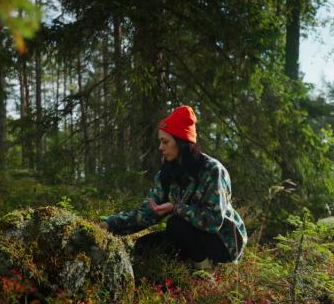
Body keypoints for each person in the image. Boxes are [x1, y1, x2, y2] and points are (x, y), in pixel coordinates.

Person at [99, 106, 247, 270]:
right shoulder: (167, 174)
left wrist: (176, 208)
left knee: (176, 225)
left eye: (165, 141)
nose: (160, 147)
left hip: (223, 242)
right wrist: (109, 224)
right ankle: (188, 265)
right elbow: (146, 213)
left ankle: (205, 271)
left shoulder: (212, 171)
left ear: (182, 142)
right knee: (143, 247)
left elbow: (213, 222)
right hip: (189, 234)